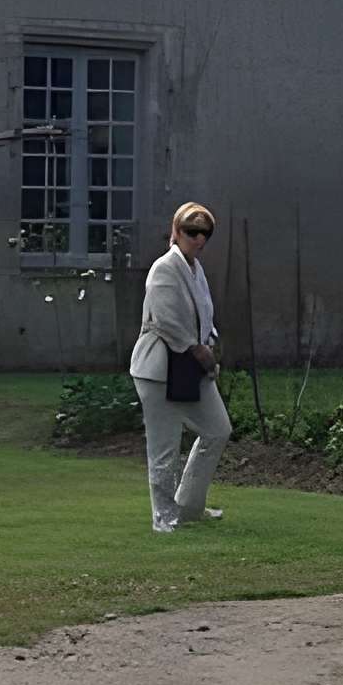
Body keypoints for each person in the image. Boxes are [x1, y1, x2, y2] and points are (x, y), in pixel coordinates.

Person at [131, 202, 230, 530]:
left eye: (205, 233)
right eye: (191, 231)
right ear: (176, 232)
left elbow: (204, 314)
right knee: (164, 446)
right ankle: (164, 516)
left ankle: (188, 505)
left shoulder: (195, 269)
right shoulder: (164, 267)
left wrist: (209, 342)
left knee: (218, 429)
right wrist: (198, 350)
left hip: (192, 364)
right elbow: (167, 320)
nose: (198, 239)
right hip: (159, 367)